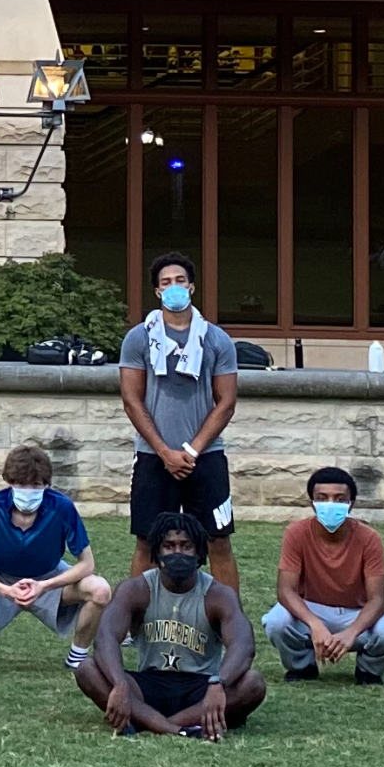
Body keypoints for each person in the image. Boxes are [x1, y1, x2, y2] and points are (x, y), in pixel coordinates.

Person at [75, 512, 265, 739]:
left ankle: (149, 723)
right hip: (150, 683)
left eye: (186, 546)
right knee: (86, 668)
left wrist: (218, 683)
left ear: (199, 553)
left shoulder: (218, 594)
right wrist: (120, 684)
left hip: (201, 686)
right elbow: (105, 637)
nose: (178, 553)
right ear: (157, 551)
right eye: (169, 546)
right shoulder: (135, 589)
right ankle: (180, 728)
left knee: (253, 683)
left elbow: (244, 646)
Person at [120, 253, 240, 591]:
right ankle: (136, 620)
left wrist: (190, 449)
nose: (174, 288)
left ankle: (229, 622)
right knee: (147, 541)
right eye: (166, 283)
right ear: (157, 293)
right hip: (153, 457)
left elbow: (226, 402)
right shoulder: (138, 338)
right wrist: (165, 452)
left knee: (218, 541)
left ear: (192, 287)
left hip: (207, 457)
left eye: (180, 281)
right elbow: (132, 399)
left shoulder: (216, 339)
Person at [0, 444, 111, 672]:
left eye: (36, 485)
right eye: (21, 484)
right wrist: (3, 589)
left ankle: (78, 658)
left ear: (46, 484)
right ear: (10, 482)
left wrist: (45, 585)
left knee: (100, 590)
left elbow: (87, 563)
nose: (28, 491)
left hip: (49, 579)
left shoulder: (62, 507)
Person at [262, 467, 384, 685]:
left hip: (356, 613)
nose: (330, 504)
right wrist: (315, 624)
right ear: (312, 503)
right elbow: (285, 590)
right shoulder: (296, 533)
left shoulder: (369, 538)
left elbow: (378, 599)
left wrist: (351, 632)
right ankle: (302, 666)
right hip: (311, 608)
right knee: (276, 622)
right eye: (322, 498)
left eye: (339, 499)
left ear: (351, 504)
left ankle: (368, 670)